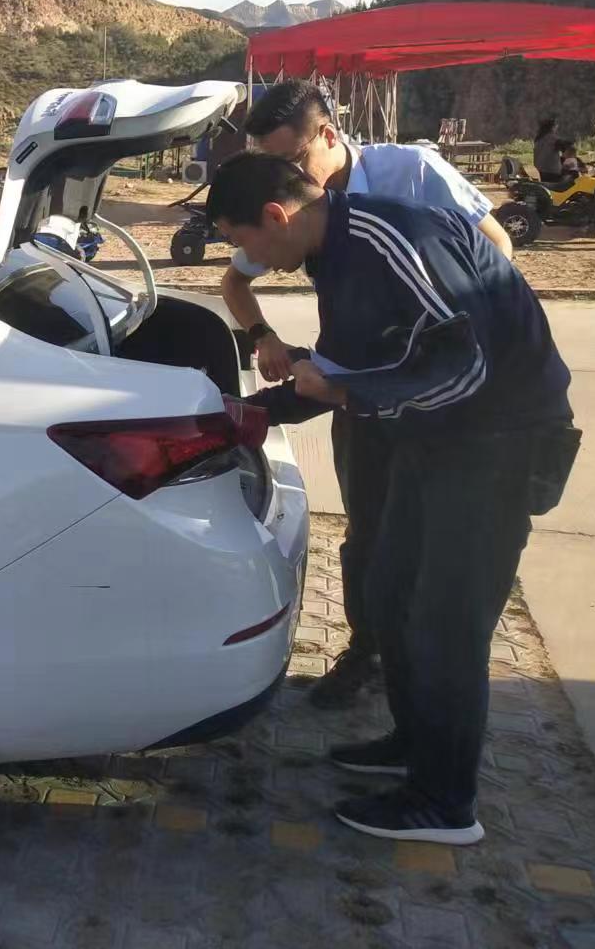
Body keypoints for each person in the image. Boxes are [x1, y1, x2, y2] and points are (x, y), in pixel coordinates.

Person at [206, 153, 573, 844]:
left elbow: (465, 367)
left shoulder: (391, 237)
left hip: (499, 438)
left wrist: (346, 392)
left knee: (447, 622)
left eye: (239, 237)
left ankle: (445, 804)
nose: (246, 258)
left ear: (276, 216)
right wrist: (242, 415)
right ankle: (415, 744)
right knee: (391, 590)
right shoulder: (333, 255)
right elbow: (346, 369)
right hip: (435, 436)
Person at [219, 80, 514, 709]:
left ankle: (429, 682)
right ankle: (370, 652)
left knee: (435, 554)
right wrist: (266, 341)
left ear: (328, 135)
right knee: (370, 531)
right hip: (359, 388)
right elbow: (236, 280)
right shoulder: (293, 211)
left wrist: (430, 351)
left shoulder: (410, 179)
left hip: (442, 397)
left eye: (293, 161)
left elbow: (496, 252)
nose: (288, 179)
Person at [534, 117, 564, 185]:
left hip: (540, 169)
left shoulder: (538, 138)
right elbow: (566, 149)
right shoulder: (553, 139)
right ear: (552, 127)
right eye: (556, 125)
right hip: (552, 171)